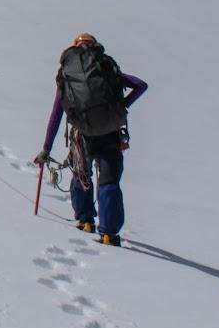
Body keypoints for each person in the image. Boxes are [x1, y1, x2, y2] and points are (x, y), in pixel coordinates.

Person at [32, 33, 148, 246]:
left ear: (74, 47)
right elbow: (141, 85)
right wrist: (121, 108)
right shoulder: (106, 68)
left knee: (81, 175)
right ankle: (109, 234)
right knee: (109, 182)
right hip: (110, 135)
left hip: (82, 136)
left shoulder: (68, 75)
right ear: (94, 46)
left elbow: (56, 115)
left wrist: (46, 149)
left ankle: (85, 221)